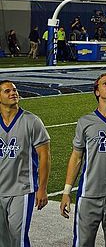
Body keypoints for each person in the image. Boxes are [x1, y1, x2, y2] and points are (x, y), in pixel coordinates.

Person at [60, 73, 106, 246]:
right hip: (89, 194)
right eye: (104, 84)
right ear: (97, 92)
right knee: (83, 243)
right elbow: (76, 157)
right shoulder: (85, 122)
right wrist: (66, 192)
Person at [0, 80, 51, 246]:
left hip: (22, 190)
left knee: (18, 238)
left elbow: (44, 156)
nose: (13, 93)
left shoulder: (32, 121)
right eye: (7, 91)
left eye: (14, 90)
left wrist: (42, 189)